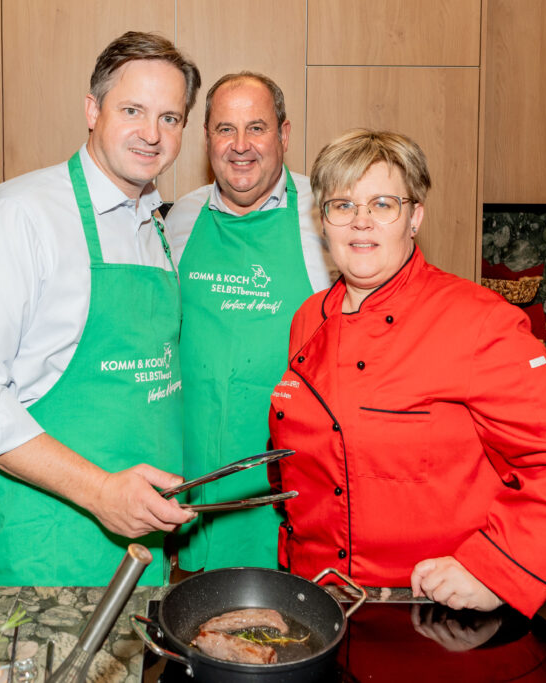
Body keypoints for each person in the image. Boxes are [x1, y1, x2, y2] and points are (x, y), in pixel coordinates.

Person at [267, 129, 546, 617]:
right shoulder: (308, 317)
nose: (360, 222)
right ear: (323, 222)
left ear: (414, 217)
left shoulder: (478, 321)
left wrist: (494, 569)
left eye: (382, 204)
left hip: (428, 611)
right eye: (342, 205)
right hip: (314, 601)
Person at [0, 32, 201, 586]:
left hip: (142, 538)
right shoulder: (21, 215)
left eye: (170, 118)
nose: (152, 134)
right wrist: (101, 492)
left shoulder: (154, 225)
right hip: (52, 537)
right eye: (133, 110)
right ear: (92, 110)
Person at [165, 72, 333, 571]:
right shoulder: (181, 219)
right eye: (224, 130)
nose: (240, 147)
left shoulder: (323, 215)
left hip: (288, 483)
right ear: (207, 139)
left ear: (283, 135)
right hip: (194, 484)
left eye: (256, 128)